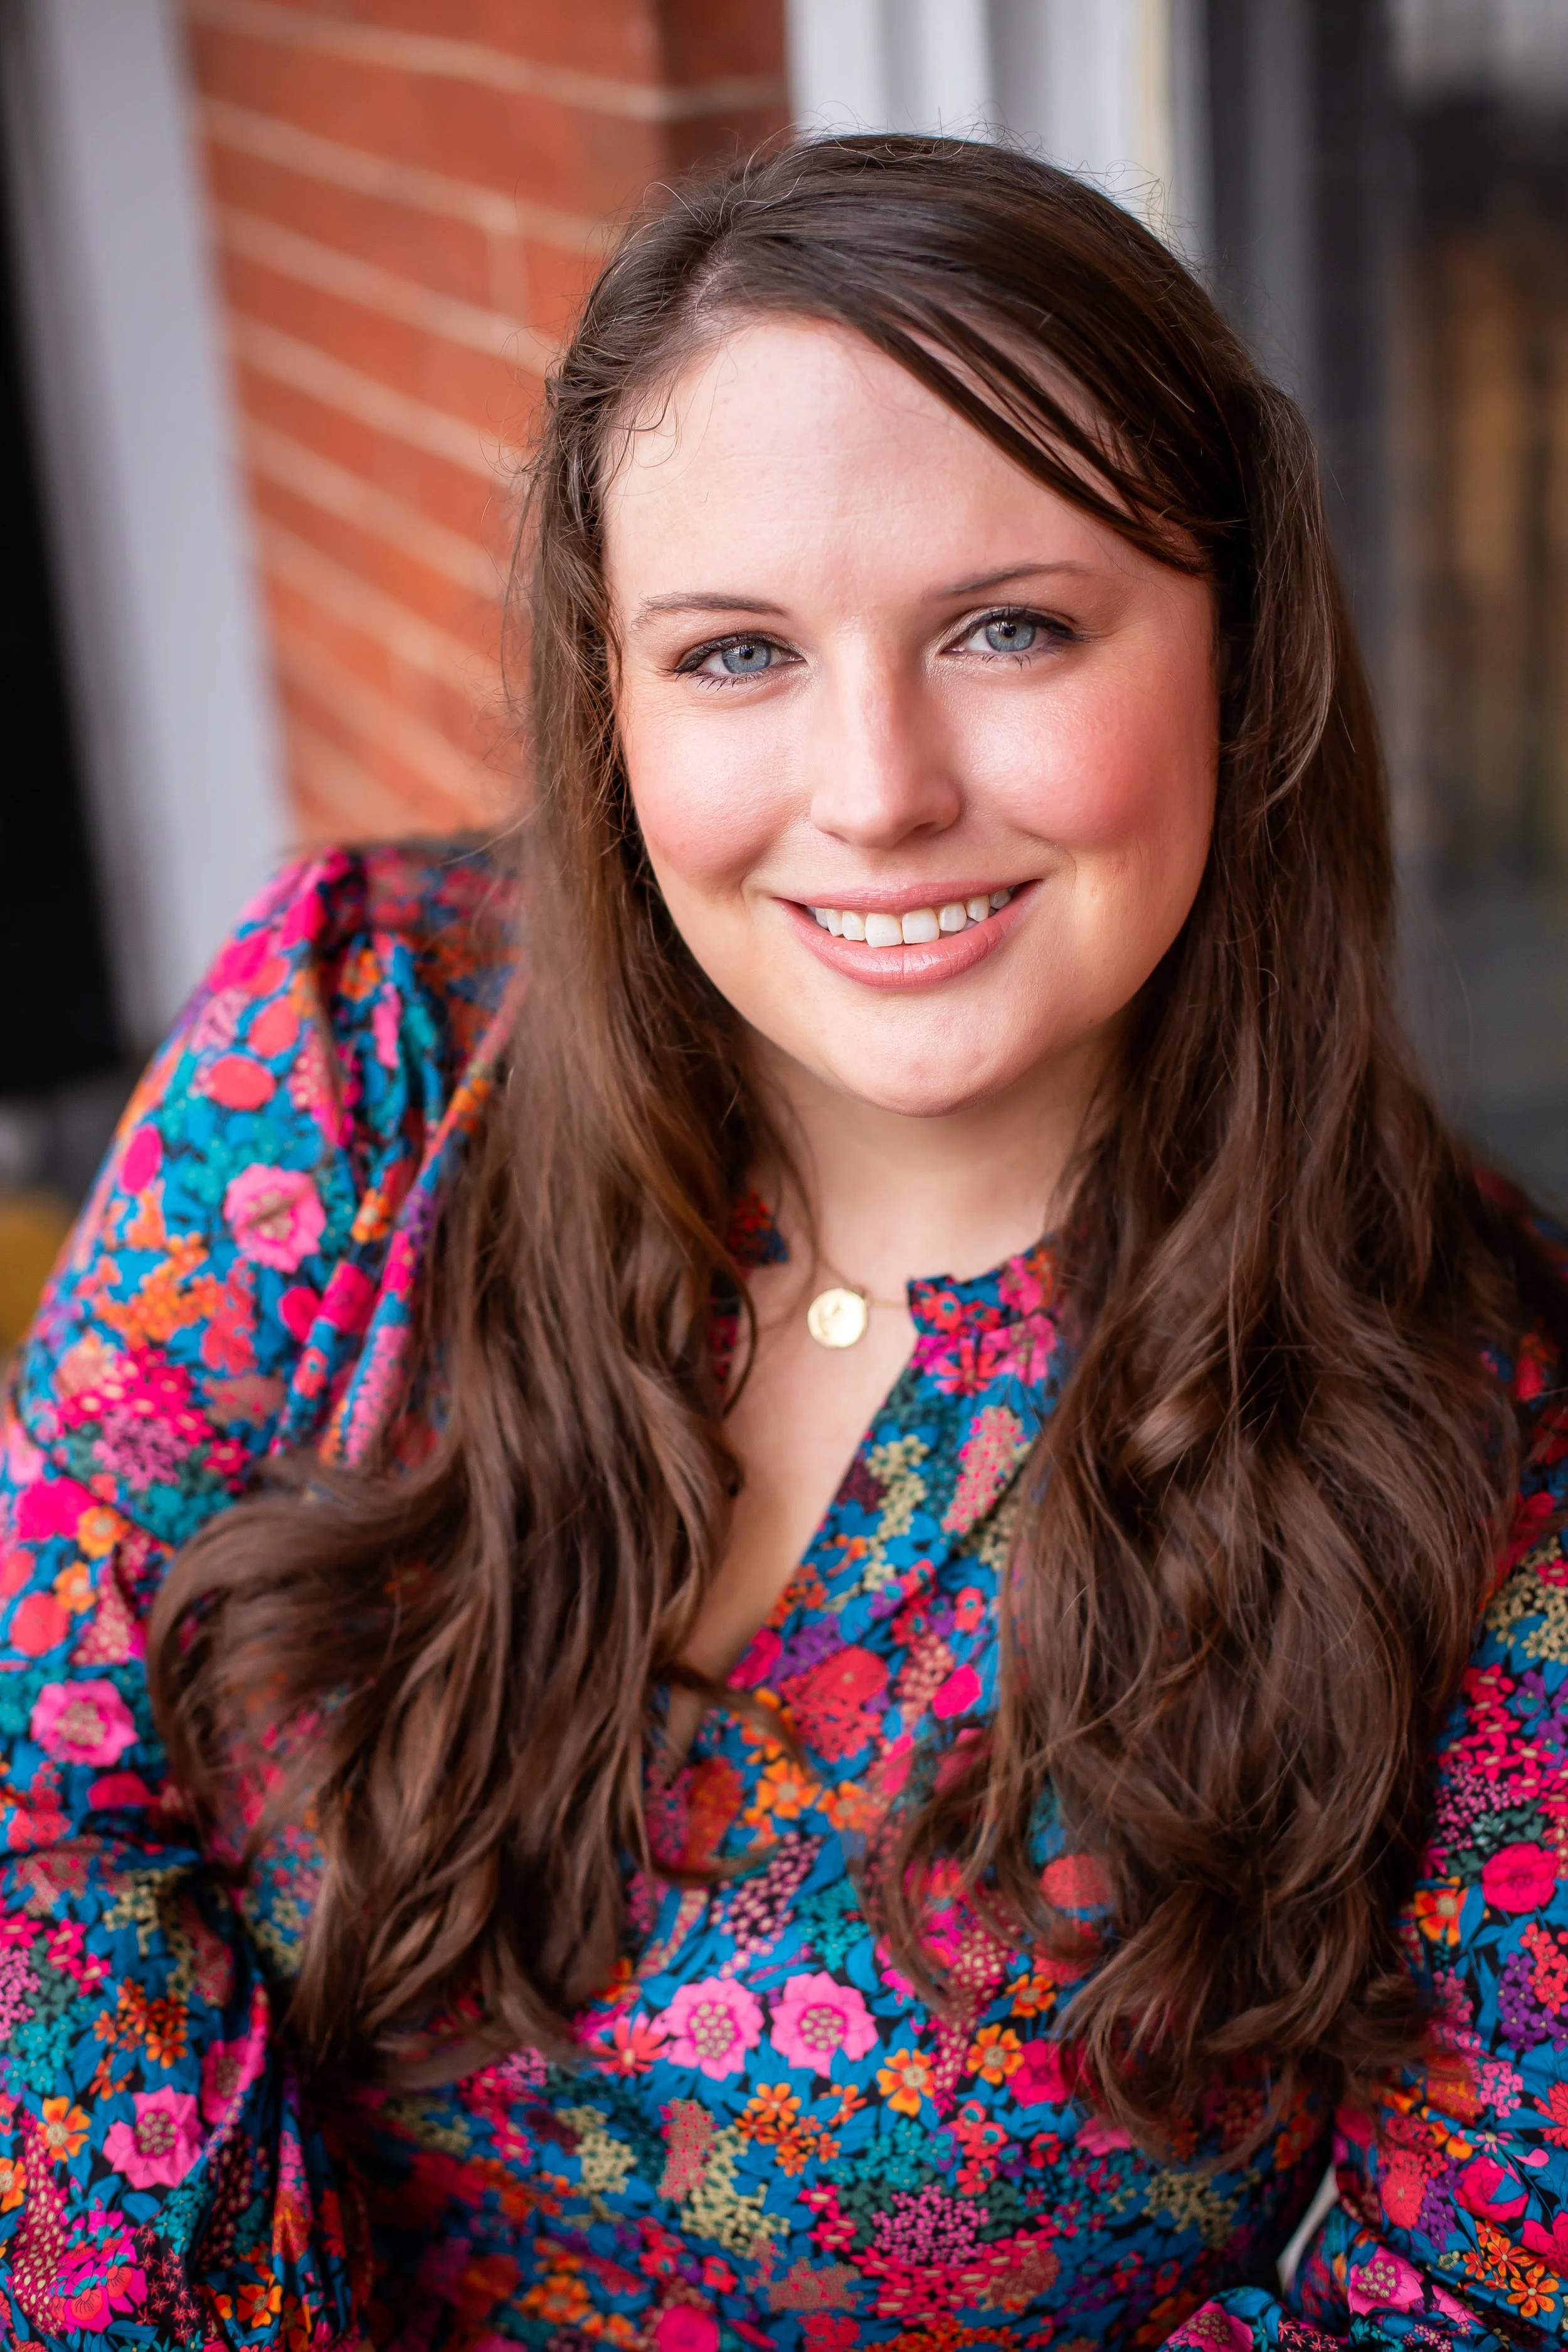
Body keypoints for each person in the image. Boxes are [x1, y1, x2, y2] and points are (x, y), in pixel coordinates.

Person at [1, 133, 1565, 2352]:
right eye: (734, 651)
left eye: (1007, 625)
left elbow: (1476, 2290)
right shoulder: (359, 1057)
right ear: (610, 696)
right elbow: (32, 1820)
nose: (875, 786)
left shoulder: (1489, 1432)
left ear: (1233, 644)